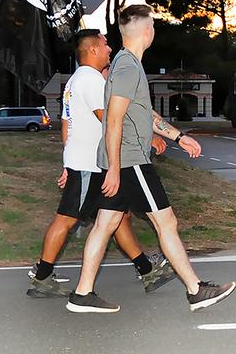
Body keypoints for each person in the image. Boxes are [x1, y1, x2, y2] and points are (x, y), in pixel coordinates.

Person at [67, 5, 235, 314]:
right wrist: (115, 169)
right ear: (148, 32)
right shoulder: (128, 67)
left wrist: (178, 137)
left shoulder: (124, 64)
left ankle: (82, 293)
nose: (154, 30)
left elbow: (144, 115)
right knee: (166, 222)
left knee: (105, 225)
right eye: (153, 25)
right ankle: (196, 290)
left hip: (121, 159)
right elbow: (114, 121)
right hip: (129, 161)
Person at [28, 29, 176, 298]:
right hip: (90, 165)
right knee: (67, 219)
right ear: (93, 49)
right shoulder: (92, 81)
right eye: (105, 44)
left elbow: (66, 125)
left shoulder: (75, 81)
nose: (110, 49)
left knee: (116, 218)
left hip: (89, 163)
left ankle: (146, 270)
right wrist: (150, 136)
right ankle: (42, 277)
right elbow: (110, 119)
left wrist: (67, 161)